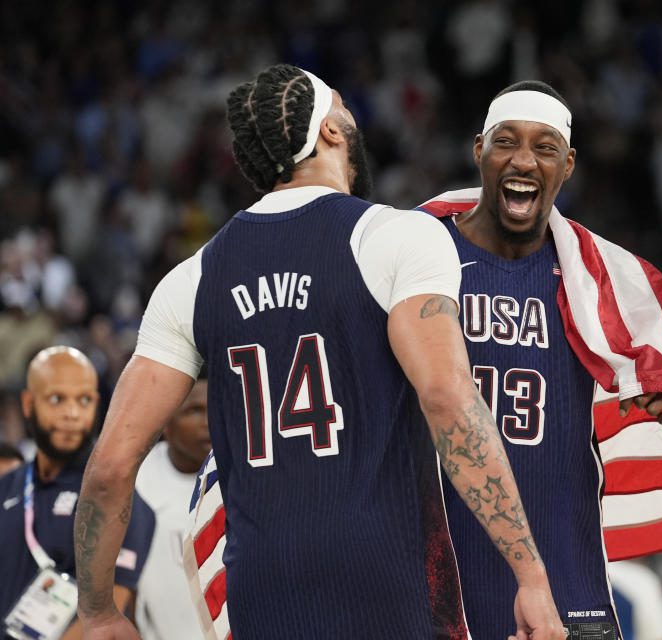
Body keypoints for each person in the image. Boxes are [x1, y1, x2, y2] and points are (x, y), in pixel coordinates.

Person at [73, 64, 563, 640]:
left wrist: (97, 610)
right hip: (385, 579)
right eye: (344, 106)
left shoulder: (193, 277)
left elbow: (109, 467)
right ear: (331, 129)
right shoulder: (396, 236)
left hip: (261, 585)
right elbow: (449, 400)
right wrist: (530, 575)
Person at [417, 81, 662, 638]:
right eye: (507, 142)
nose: (524, 159)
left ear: (568, 165)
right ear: (479, 150)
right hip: (435, 571)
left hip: (564, 575)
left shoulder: (606, 283)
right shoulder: (418, 255)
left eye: (545, 147)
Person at [0, 347, 154, 640]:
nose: (71, 413)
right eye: (57, 399)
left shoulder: (114, 499)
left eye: (83, 400)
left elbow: (106, 617)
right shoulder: (6, 487)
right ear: (28, 403)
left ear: (96, 404)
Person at [134, 369, 211, 640]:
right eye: (194, 411)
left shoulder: (249, 477)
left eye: (215, 409)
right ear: (165, 422)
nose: (208, 422)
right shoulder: (136, 482)